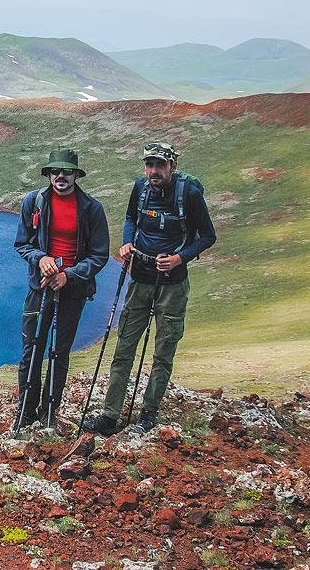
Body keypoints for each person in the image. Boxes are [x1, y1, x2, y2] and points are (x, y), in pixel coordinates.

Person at [82, 142, 216, 435]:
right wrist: (127, 242)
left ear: (172, 166)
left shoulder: (189, 194)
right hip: (140, 278)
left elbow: (208, 236)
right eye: (149, 164)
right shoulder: (140, 188)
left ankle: (148, 414)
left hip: (173, 284)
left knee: (163, 352)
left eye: (160, 165)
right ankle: (110, 416)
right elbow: (132, 218)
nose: (154, 171)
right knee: (123, 349)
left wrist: (179, 259)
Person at [14, 148, 110, 429]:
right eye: (55, 171)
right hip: (39, 288)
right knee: (31, 351)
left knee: (59, 352)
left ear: (76, 175)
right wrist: (40, 258)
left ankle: (49, 412)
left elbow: (99, 255)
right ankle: (25, 412)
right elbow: (22, 243)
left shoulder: (92, 208)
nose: (61, 176)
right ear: (49, 174)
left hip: (73, 291)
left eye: (67, 171)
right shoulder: (34, 201)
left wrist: (69, 275)